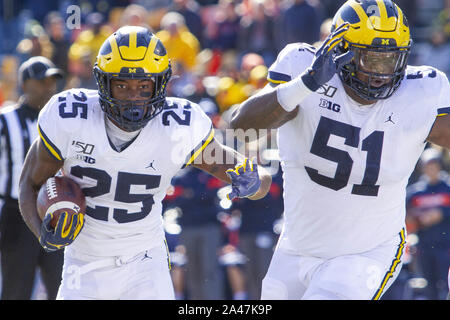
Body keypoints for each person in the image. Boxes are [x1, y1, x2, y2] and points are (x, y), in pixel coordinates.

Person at [18, 26, 271, 300]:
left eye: (143, 86)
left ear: (160, 84)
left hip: (145, 261)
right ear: (103, 81)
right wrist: (42, 233)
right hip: (84, 259)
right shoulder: (70, 116)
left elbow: (259, 179)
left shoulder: (178, 127)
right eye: (122, 85)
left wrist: (254, 182)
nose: (133, 96)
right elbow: (29, 184)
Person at [230, 0, 450, 300]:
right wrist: (305, 84)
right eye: (371, 60)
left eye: (390, 61)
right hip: (296, 246)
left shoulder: (422, 91)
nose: (381, 74)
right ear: (341, 52)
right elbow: (242, 127)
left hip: (368, 251)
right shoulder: (303, 68)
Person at [0, 56, 64, 299]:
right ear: (25, 85)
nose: (49, 87)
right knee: (16, 288)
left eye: (52, 81)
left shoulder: (63, 122)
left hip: (57, 212)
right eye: (42, 81)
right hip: (15, 213)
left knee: (63, 287)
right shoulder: (5, 120)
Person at [406, 147, 450, 300]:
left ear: (440, 166)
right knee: (428, 285)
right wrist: (417, 218)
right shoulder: (415, 192)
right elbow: (406, 216)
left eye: (434, 165)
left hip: (446, 245)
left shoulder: (448, 188)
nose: (431, 169)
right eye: (427, 165)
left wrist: (441, 213)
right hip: (424, 245)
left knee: (446, 285)